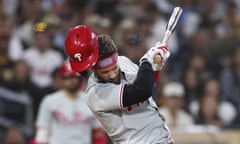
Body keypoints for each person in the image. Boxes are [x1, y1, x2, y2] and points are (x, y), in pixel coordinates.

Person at [65, 25, 173, 144]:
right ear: (93, 69)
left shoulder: (123, 61)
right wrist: (147, 61)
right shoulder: (95, 94)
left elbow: (147, 85)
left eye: (114, 68)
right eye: (105, 72)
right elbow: (141, 92)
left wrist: (155, 67)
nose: (111, 75)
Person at [34, 61, 107, 144]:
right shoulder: (49, 101)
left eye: (74, 77)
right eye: (68, 77)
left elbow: (98, 132)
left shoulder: (90, 100)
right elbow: (43, 132)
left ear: (79, 79)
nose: (72, 81)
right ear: (62, 79)